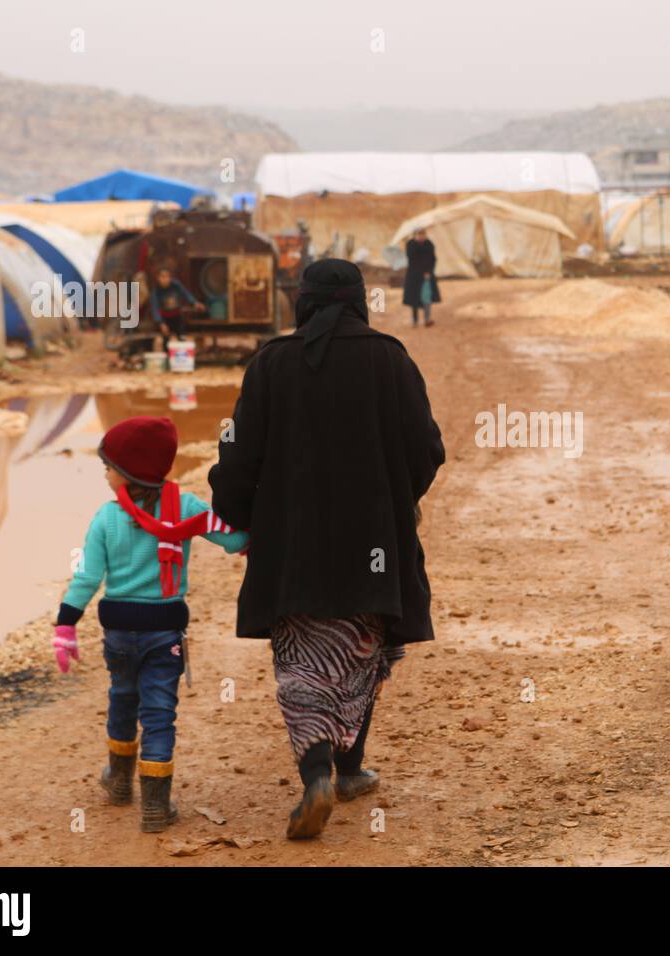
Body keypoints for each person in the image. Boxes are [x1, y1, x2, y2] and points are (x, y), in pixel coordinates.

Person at [209, 258, 445, 840]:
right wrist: (396, 502)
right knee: (360, 649)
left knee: (302, 659)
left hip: (292, 544)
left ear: (303, 301)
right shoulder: (390, 358)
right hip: (373, 543)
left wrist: (237, 514)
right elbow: (427, 448)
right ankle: (350, 768)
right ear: (360, 299)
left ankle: (317, 771)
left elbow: (237, 453)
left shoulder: (270, 363)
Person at [52, 416, 248, 832]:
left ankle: (119, 782)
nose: (104, 474)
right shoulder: (188, 507)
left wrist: (65, 625)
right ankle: (156, 807)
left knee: (122, 698)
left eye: (107, 466)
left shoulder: (105, 519)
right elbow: (235, 540)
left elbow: (87, 577)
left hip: (119, 633)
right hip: (165, 633)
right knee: (159, 712)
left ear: (124, 474)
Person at [149, 267, 203, 350]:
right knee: (166, 339)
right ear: (158, 278)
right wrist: (161, 323)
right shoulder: (155, 291)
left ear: (170, 278)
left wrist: (195, 303)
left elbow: (186, 293)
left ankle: (182, 356)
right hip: (165, 319)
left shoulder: (176, 285)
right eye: (162, 277)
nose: (165, 279)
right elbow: (155, 308)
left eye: (167, 277)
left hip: (177, 316)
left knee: (182, 336)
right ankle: (167, 357)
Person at [403, 229, 440, 327]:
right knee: (414, 299)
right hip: (414, 276)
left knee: (427, 297)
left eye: (422, 234)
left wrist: (428, 272)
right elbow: (410, 256)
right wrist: (415, 243)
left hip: (426, 276)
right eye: (419, 234)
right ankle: (415, 321)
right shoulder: (411, 245)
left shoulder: (429, 245)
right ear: (415, 235)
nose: (421, 236)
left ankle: (427, 319)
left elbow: (432, 259)